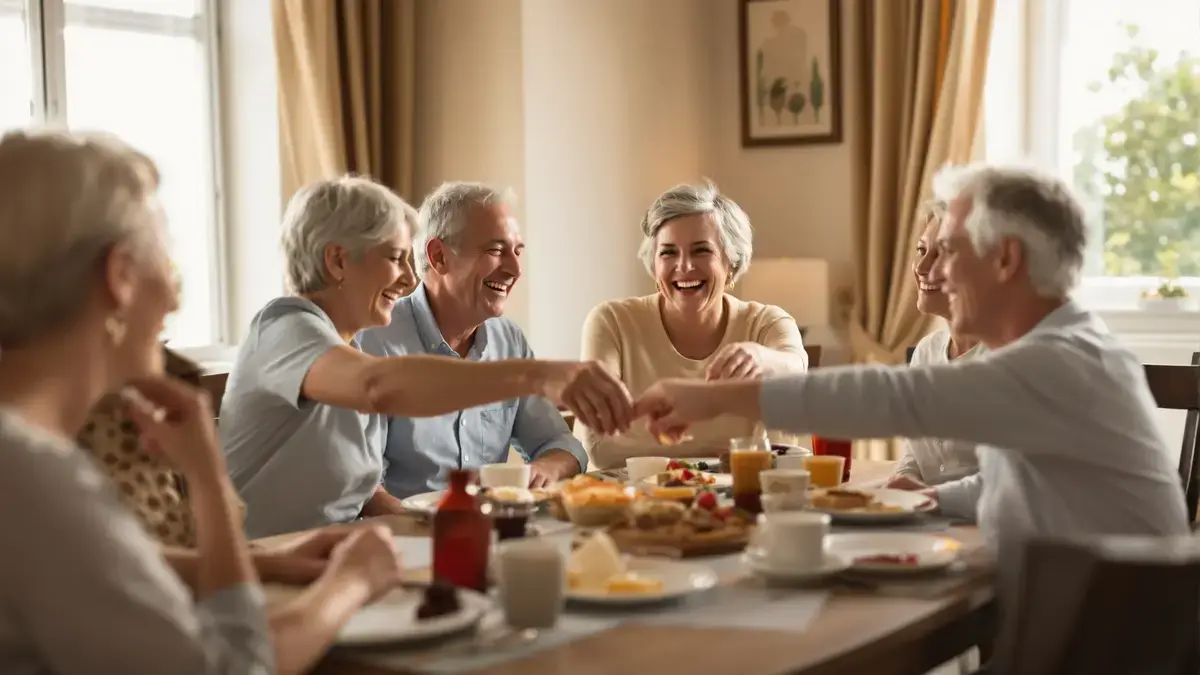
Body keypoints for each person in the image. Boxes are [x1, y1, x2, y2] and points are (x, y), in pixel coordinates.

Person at [635, 164, 1189, 581]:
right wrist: (927, 499)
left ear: (1006, 260)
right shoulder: (1068, 349)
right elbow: (1013, 481)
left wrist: (716, 398)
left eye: (948, 250)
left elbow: (898, 396)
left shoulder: (1057, 362)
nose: (935, 272)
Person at [0, 129, 404, 674]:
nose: (173, 297)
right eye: (164, 265)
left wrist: (269, 563)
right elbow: (234, 667)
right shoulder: (36, 479)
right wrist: (351, 581)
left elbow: (79, 563)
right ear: (118, 277)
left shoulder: (28, 465)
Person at [221, 176, 634, 537]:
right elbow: (376, 386)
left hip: (341, 555)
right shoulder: (283, 326)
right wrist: (538, 375)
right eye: (395, 258)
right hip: (271, 567)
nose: (408, 278)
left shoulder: (345, 344)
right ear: (338, 260)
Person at [361, 182, 585, 497]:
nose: (515, 269)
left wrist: (545, 468)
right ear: (438, 257)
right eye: (495, 250)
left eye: (517, 251)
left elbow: (562, 444)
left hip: (490, 528)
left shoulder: (508, 340)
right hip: (405, 536)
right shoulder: (374, 341)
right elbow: (362, 484)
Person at [576, 182, 808, 469]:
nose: (684, 266)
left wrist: (760, 357)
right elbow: (599, 447)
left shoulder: (766, 323)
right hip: (633, 499)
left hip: (741, 500)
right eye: (668, 253)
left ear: (731, 263)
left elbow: (796, 370)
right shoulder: (611, 321)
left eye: (701, 251)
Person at [885, 202, 985, 501]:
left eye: (942, 252)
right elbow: (913, 454)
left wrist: (933, 496)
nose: (921, 267)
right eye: (921, 250)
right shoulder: (927, 352)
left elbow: (1021, 482)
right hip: (930, 520)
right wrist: (904, 479)